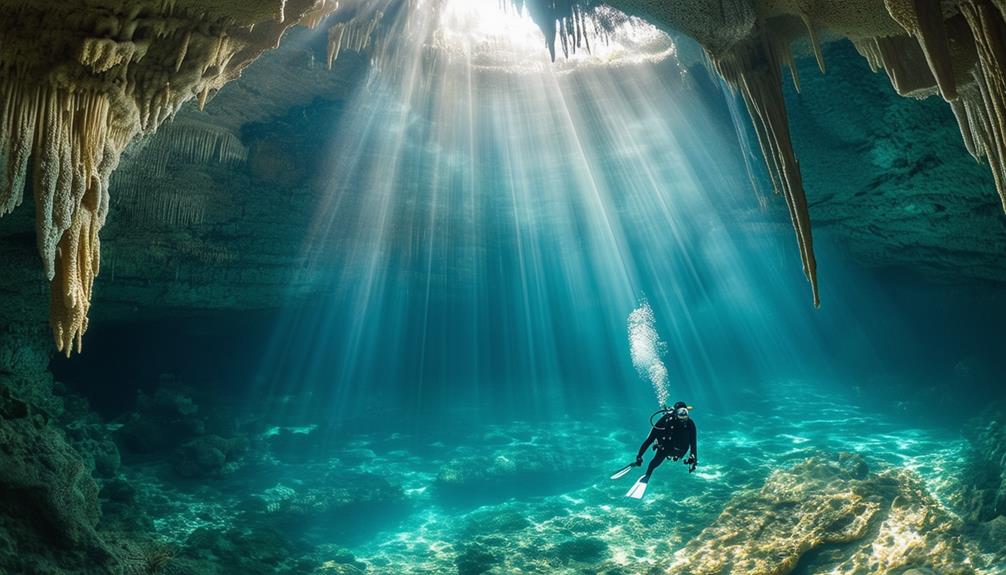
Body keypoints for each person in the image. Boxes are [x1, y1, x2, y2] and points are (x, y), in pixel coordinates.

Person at [634, 401, 697, 485]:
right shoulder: (665, 421)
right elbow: (650, 439)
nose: (683, 416)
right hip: (666, 448)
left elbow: (693, 443)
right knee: (654, 464)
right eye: (681, 412)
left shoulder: (690, 424)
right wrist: (639, 456)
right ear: (675, 413)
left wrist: (693, 459)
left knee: (656, 461)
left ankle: (648, 474)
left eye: (685, 412)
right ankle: (647, 475)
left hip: (680, 450)